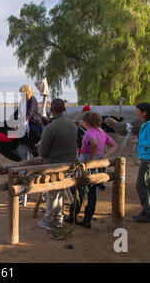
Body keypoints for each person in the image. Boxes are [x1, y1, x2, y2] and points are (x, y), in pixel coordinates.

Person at [65, 111, 118, 228]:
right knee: (93, 191)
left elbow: (93, 143)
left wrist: (92, 158)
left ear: (86, 122)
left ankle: (72, 216)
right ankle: (87, 219)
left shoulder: (89, 133)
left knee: (79, 190)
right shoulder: (102, 132)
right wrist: (104, 156)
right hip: (98, 164)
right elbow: (114, 145)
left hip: (86, 162)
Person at [37, 99, 77, 230]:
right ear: (64, 109)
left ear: (51, 111)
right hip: (70, 165)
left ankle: (49, 220)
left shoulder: (50, 128)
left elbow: (43, 152)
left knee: (53, 192)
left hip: (54, 165)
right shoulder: (72, 125)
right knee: (59, 191)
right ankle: (58, 219)